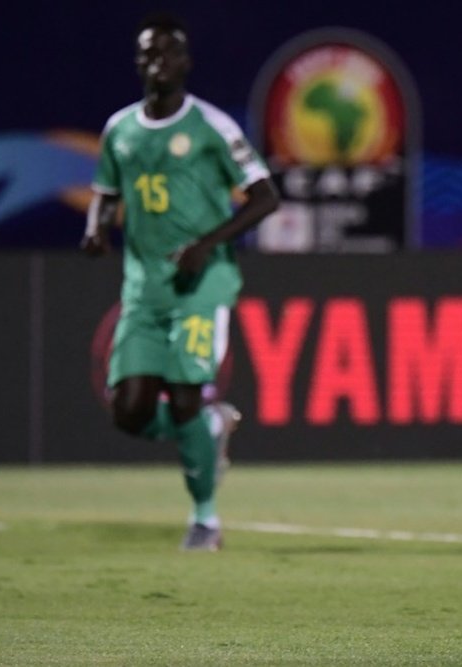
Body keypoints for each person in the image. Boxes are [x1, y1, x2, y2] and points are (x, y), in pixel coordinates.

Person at [81, 13, 279, 551]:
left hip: (203, 283)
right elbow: (105, 190)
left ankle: (206, 520)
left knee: (186, 396)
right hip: (144, 288)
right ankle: (207, 430)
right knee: (129, 410)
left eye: (168, 53)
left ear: (186, 63)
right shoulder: (119, 129)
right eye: (148, 53)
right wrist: (95, 228)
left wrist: (206, 244)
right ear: (138, 62)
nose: (157, 62)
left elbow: (266, 196)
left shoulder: (212, 127)